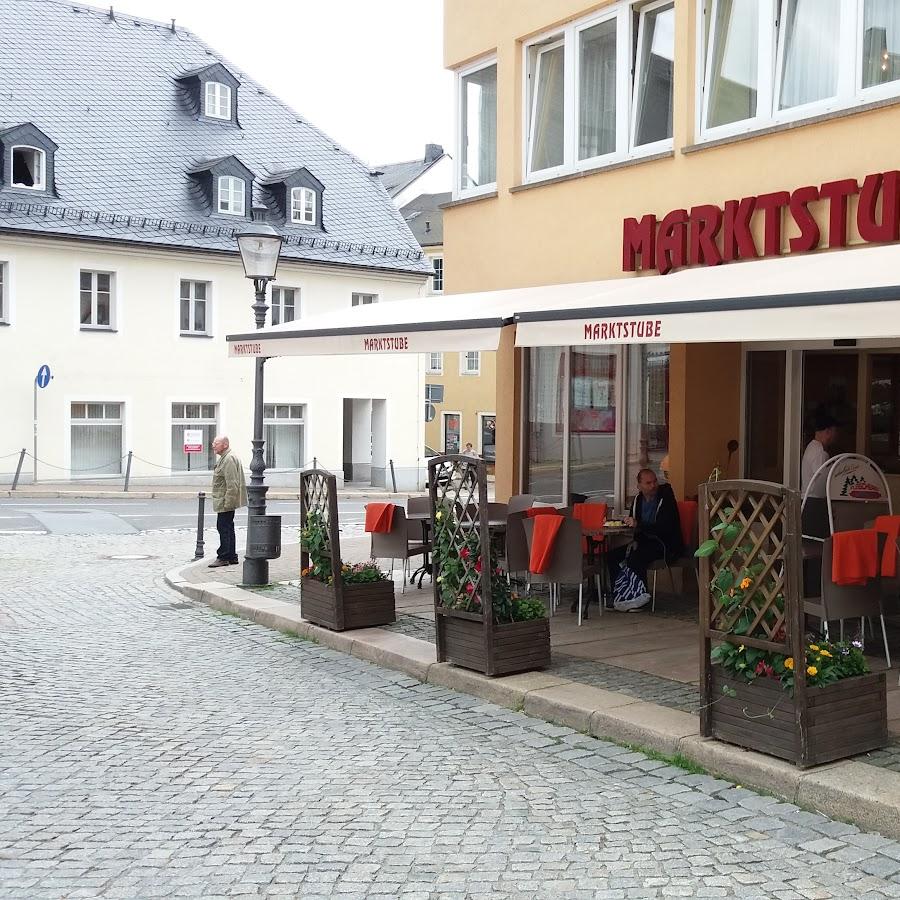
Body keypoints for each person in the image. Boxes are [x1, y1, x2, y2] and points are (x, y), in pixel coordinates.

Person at [607, 468, 683, 611]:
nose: (653, 486)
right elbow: (635, 524)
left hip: (665, 544)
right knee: (613, 556)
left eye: (655, 482)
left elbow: (664, 527)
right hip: (643, 541)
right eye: (648, 483)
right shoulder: (637, 500)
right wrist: (633, 532)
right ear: (639, 486)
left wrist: (639, 525)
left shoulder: (666, 498)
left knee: (636, 557)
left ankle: (639, 598)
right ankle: (619, 596)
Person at [209, 435, 247, 568]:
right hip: (224, 499)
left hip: (225, 500)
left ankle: (224, 557)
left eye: (216, 443)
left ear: (225, 445)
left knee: (223, 527)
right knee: (228, 527)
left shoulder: (229, 459)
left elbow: (232, 484)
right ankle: (231, 556)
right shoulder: (226, 457)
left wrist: (228, 503)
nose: (213, 445)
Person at [801, 413, 839, 497]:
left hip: (808, 498)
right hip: (814, 499)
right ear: (828, 431)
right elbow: (820, 484)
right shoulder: (820, 452)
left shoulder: (812, 446)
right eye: (835, 431)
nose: (836, 435)